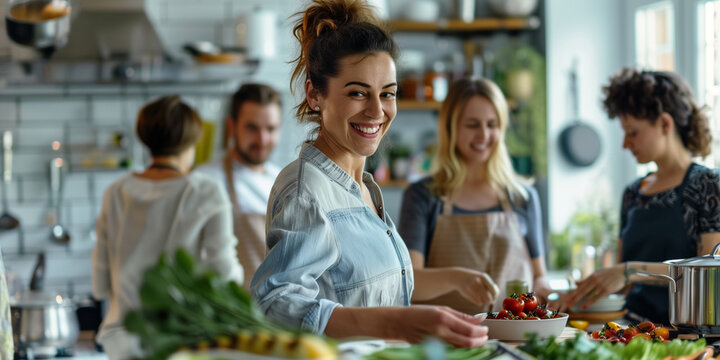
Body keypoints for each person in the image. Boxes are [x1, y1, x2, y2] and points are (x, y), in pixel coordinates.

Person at [251, 0, 489, 348]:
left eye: (387, 94)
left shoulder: (362, 188)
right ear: (315, 94)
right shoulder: (306, 191)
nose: (377, 111)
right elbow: (275, 305)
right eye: (358, 93)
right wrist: (396, 323)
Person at [563, 68, 720, 324]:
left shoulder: (707, 184)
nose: (625, 143)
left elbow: (707, 273)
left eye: (633, 132)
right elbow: (624, 284)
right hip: (630, 331)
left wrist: (630, 271)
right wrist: (578, 294)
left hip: (686, 337)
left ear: (665, 124)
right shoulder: (633, 193)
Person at [92, 95, 244, 360]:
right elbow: (225, 274)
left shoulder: (116, 192)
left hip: (121, 338)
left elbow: (99, 284)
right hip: (180, 340)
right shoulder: (206, 191)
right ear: (192, 141)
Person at [398, 78, 550, 315]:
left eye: (492, 124)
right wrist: (457, 279)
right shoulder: (422, 196)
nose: (484, 135)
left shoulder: (522, 197)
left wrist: (549, 292)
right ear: (450, 127)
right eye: (472, 124)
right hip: (447, 342)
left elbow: (539, 276)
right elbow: (409, 283)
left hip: (514, 338)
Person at [195, 83, 282, 289]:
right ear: (231, 127)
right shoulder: (205, 180)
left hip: (279, 315)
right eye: (252, 128)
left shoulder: (284, 180)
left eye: (270, 129)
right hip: (231, 312)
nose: (262, 139)